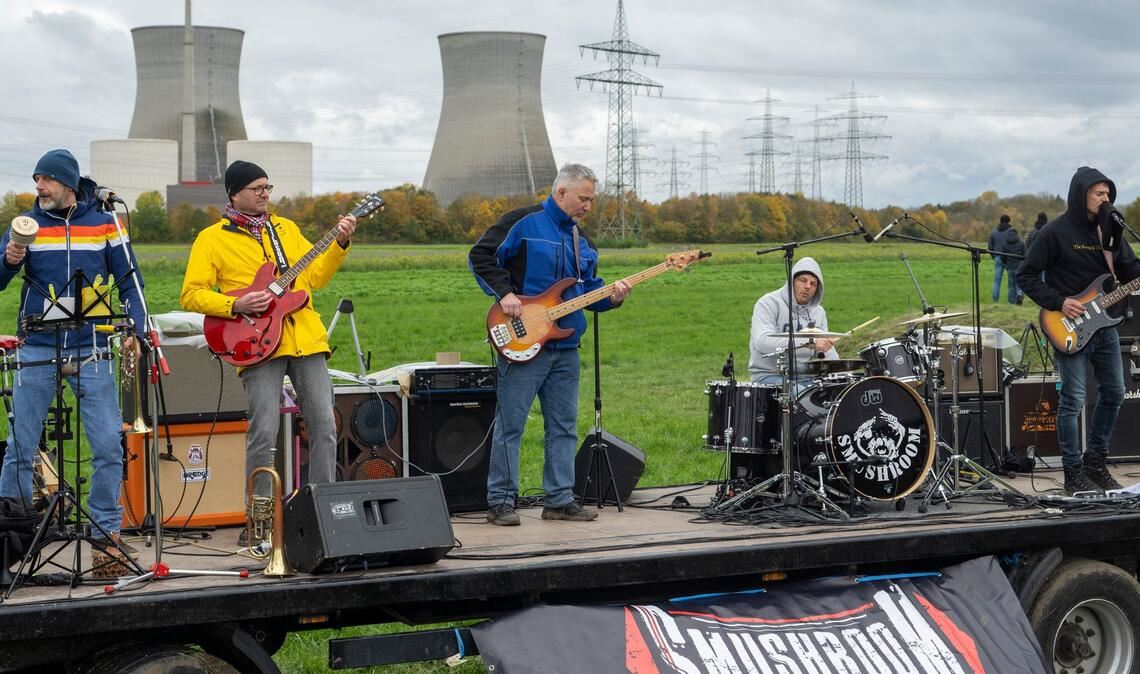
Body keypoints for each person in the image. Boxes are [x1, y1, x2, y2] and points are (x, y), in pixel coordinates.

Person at [180, 161, 355, 539]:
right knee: (264, 432)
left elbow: (315, 277)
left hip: (304, 339)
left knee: (325, 427)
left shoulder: (286, 229)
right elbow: (191, 294)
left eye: (267, 187)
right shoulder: (211, 239)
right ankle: (259, 522)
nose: (264, 193)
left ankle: (321, 511)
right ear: (234, 193)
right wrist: (235, 306)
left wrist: (339, 243)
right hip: (255, 344)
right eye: (257, 187)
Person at [0, 149, 146, 558]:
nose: (39, 188)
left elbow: (130, 283)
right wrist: (9, 259)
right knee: (21, 447)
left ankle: (106, 533)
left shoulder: (105, 223)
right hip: (39, 347)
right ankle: (13, 540)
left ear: (67, 184)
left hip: (93, 348)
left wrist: (138, 326)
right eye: (35, 180)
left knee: (107, 445)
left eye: (45, 179)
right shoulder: (26, 226)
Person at [469, 163, 631, 527]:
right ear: (561, 192)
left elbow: (589, 293)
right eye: (583, 199)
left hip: (566, 347)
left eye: (591, 200)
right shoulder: (522, 223)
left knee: (564, 427)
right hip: (523, 341)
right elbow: (479, 257)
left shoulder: (584, 242)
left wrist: (615, 297)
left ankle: (558, 500)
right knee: (511, 425)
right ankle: (500, 502)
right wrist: (506, 292)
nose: (588, 206)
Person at [1017, 167, 1140, 494]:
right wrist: (1059, 302)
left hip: (1105, 326)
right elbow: (1025, 275)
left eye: (1108, 193)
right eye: (1099, 193)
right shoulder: (1055, 232)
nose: (1106, 198)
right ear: (1080, 194)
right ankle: (1072, 472)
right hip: (1067, 326)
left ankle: (1095, 462)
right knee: (1073, 400)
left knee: (1114, 392)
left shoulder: (1111, 232)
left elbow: (1129, 271)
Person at [748, 257, 838, 385]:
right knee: (806, 400)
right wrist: (810, 344)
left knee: (834, 396)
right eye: (803, 281)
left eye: (813, 284)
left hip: (805, 376)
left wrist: (840, 373)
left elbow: (826, 349)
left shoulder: (819, 312)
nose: (808, 286)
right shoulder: (768, 303)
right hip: (768, 375)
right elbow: (763, 342)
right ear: (792, 281)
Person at [988, 214, 1017, 303]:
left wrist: (995, 257)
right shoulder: (1011, 232)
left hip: (997, 257)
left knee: (996, 281)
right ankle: (1011, 302)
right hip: (1009, 258)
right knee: (1011, 283)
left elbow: (990, 247)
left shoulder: (993, 232)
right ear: (1009, 221)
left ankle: (995, 301)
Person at [1000, 227, 1026, 305]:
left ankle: (1011, 302)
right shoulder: (1021, 243)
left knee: (1011, 286)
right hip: (1019, 266)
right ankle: (1019, 294)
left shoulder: (1005, 244)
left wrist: (1006, 264)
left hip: (1010, 267)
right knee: (1019, 283)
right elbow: (1025, 254)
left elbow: (1002, 257)